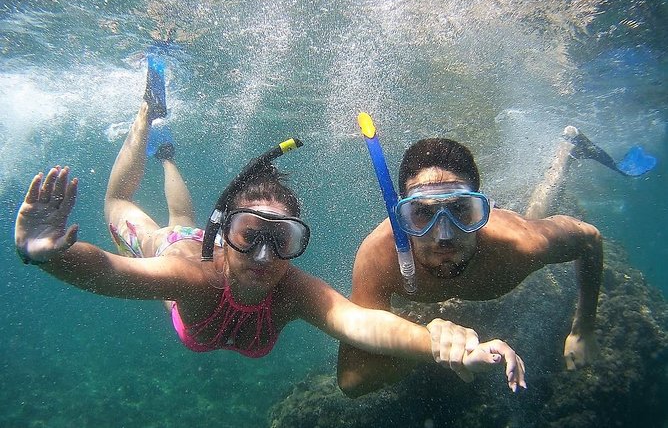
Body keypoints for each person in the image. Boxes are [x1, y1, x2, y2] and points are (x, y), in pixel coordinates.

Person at [13, 54, 527, 391]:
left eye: (280, 240)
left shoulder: (292, 290)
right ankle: (147, 117)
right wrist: (48, 253)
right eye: (249, 236)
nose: (263, 256)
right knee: (125, 211)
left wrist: (438, 340)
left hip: (201, 236)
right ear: (226, 238)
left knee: (182, 217)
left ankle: (166, 153)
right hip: (175, 246)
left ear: (296, 243)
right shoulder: (193, 275)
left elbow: (360, 323)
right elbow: (108, 270)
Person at [337, 136, 603, 397]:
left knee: (534, 216)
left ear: (482, 211)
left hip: (510, 232)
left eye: (461, 209)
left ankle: (565, 152)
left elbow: (589, 239)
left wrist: (583, 327)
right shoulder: (379, 258)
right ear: (400, 218)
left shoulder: (518, 245)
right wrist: (431, 343)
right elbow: (353, 379)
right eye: (422, 213)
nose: (444, 236)